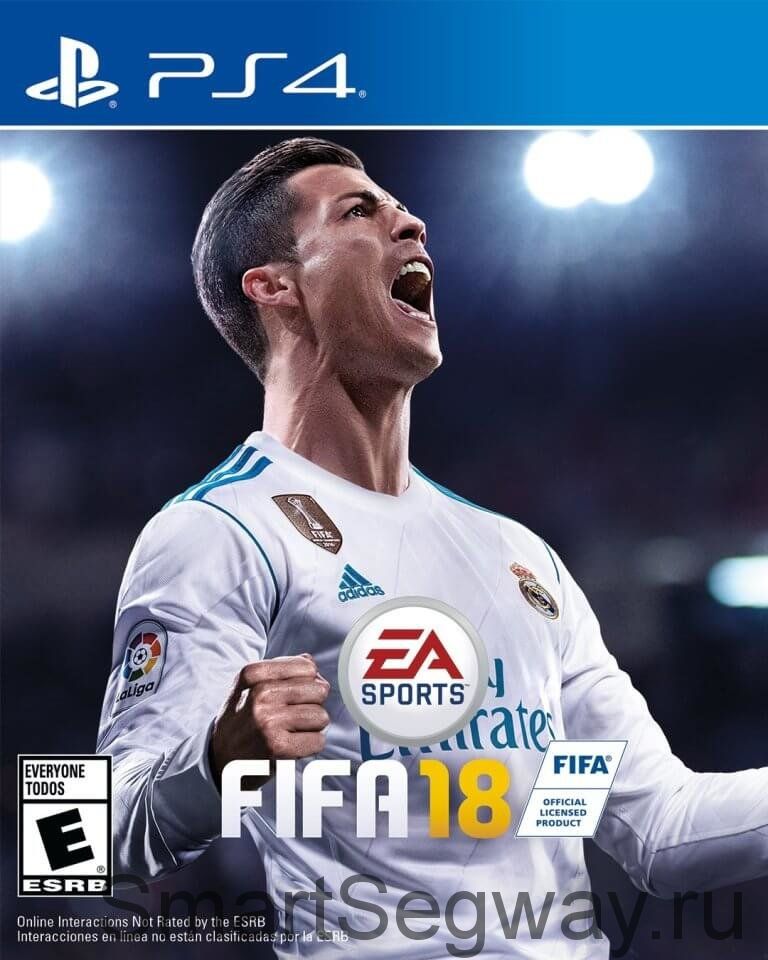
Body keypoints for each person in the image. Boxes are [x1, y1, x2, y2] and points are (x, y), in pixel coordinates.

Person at [97, 138, 768, 957]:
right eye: (359, 211)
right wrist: (213, 767)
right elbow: (74, 840)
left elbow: (661, 828)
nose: (412, 224)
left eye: (402, 209)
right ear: (276, 286)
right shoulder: (218, 529)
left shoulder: (520, 559)